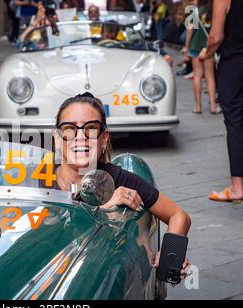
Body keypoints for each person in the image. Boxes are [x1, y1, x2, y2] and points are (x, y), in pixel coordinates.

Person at [53, 92, 191, 271]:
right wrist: (103, 207)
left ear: (104, 138)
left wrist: (170, 258)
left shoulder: (117, 179)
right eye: (69, 129)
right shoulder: (37, 176)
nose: (81, 136)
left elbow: (179, 216)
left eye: (91, 128)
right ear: (57, 138)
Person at [199, 0, 243, 202]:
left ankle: (237, 187)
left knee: (235, 122)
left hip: (234, 64)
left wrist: (206, 53)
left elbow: (216, 37)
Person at [185, 0, 219, 114]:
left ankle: (198, 106)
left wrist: (186, 47)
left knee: (197, 75)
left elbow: (189, 31)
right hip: (208, 47)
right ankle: (213, 107)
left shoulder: (193, 11)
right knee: (210, 76)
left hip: (195, 46)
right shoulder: (213, 10)